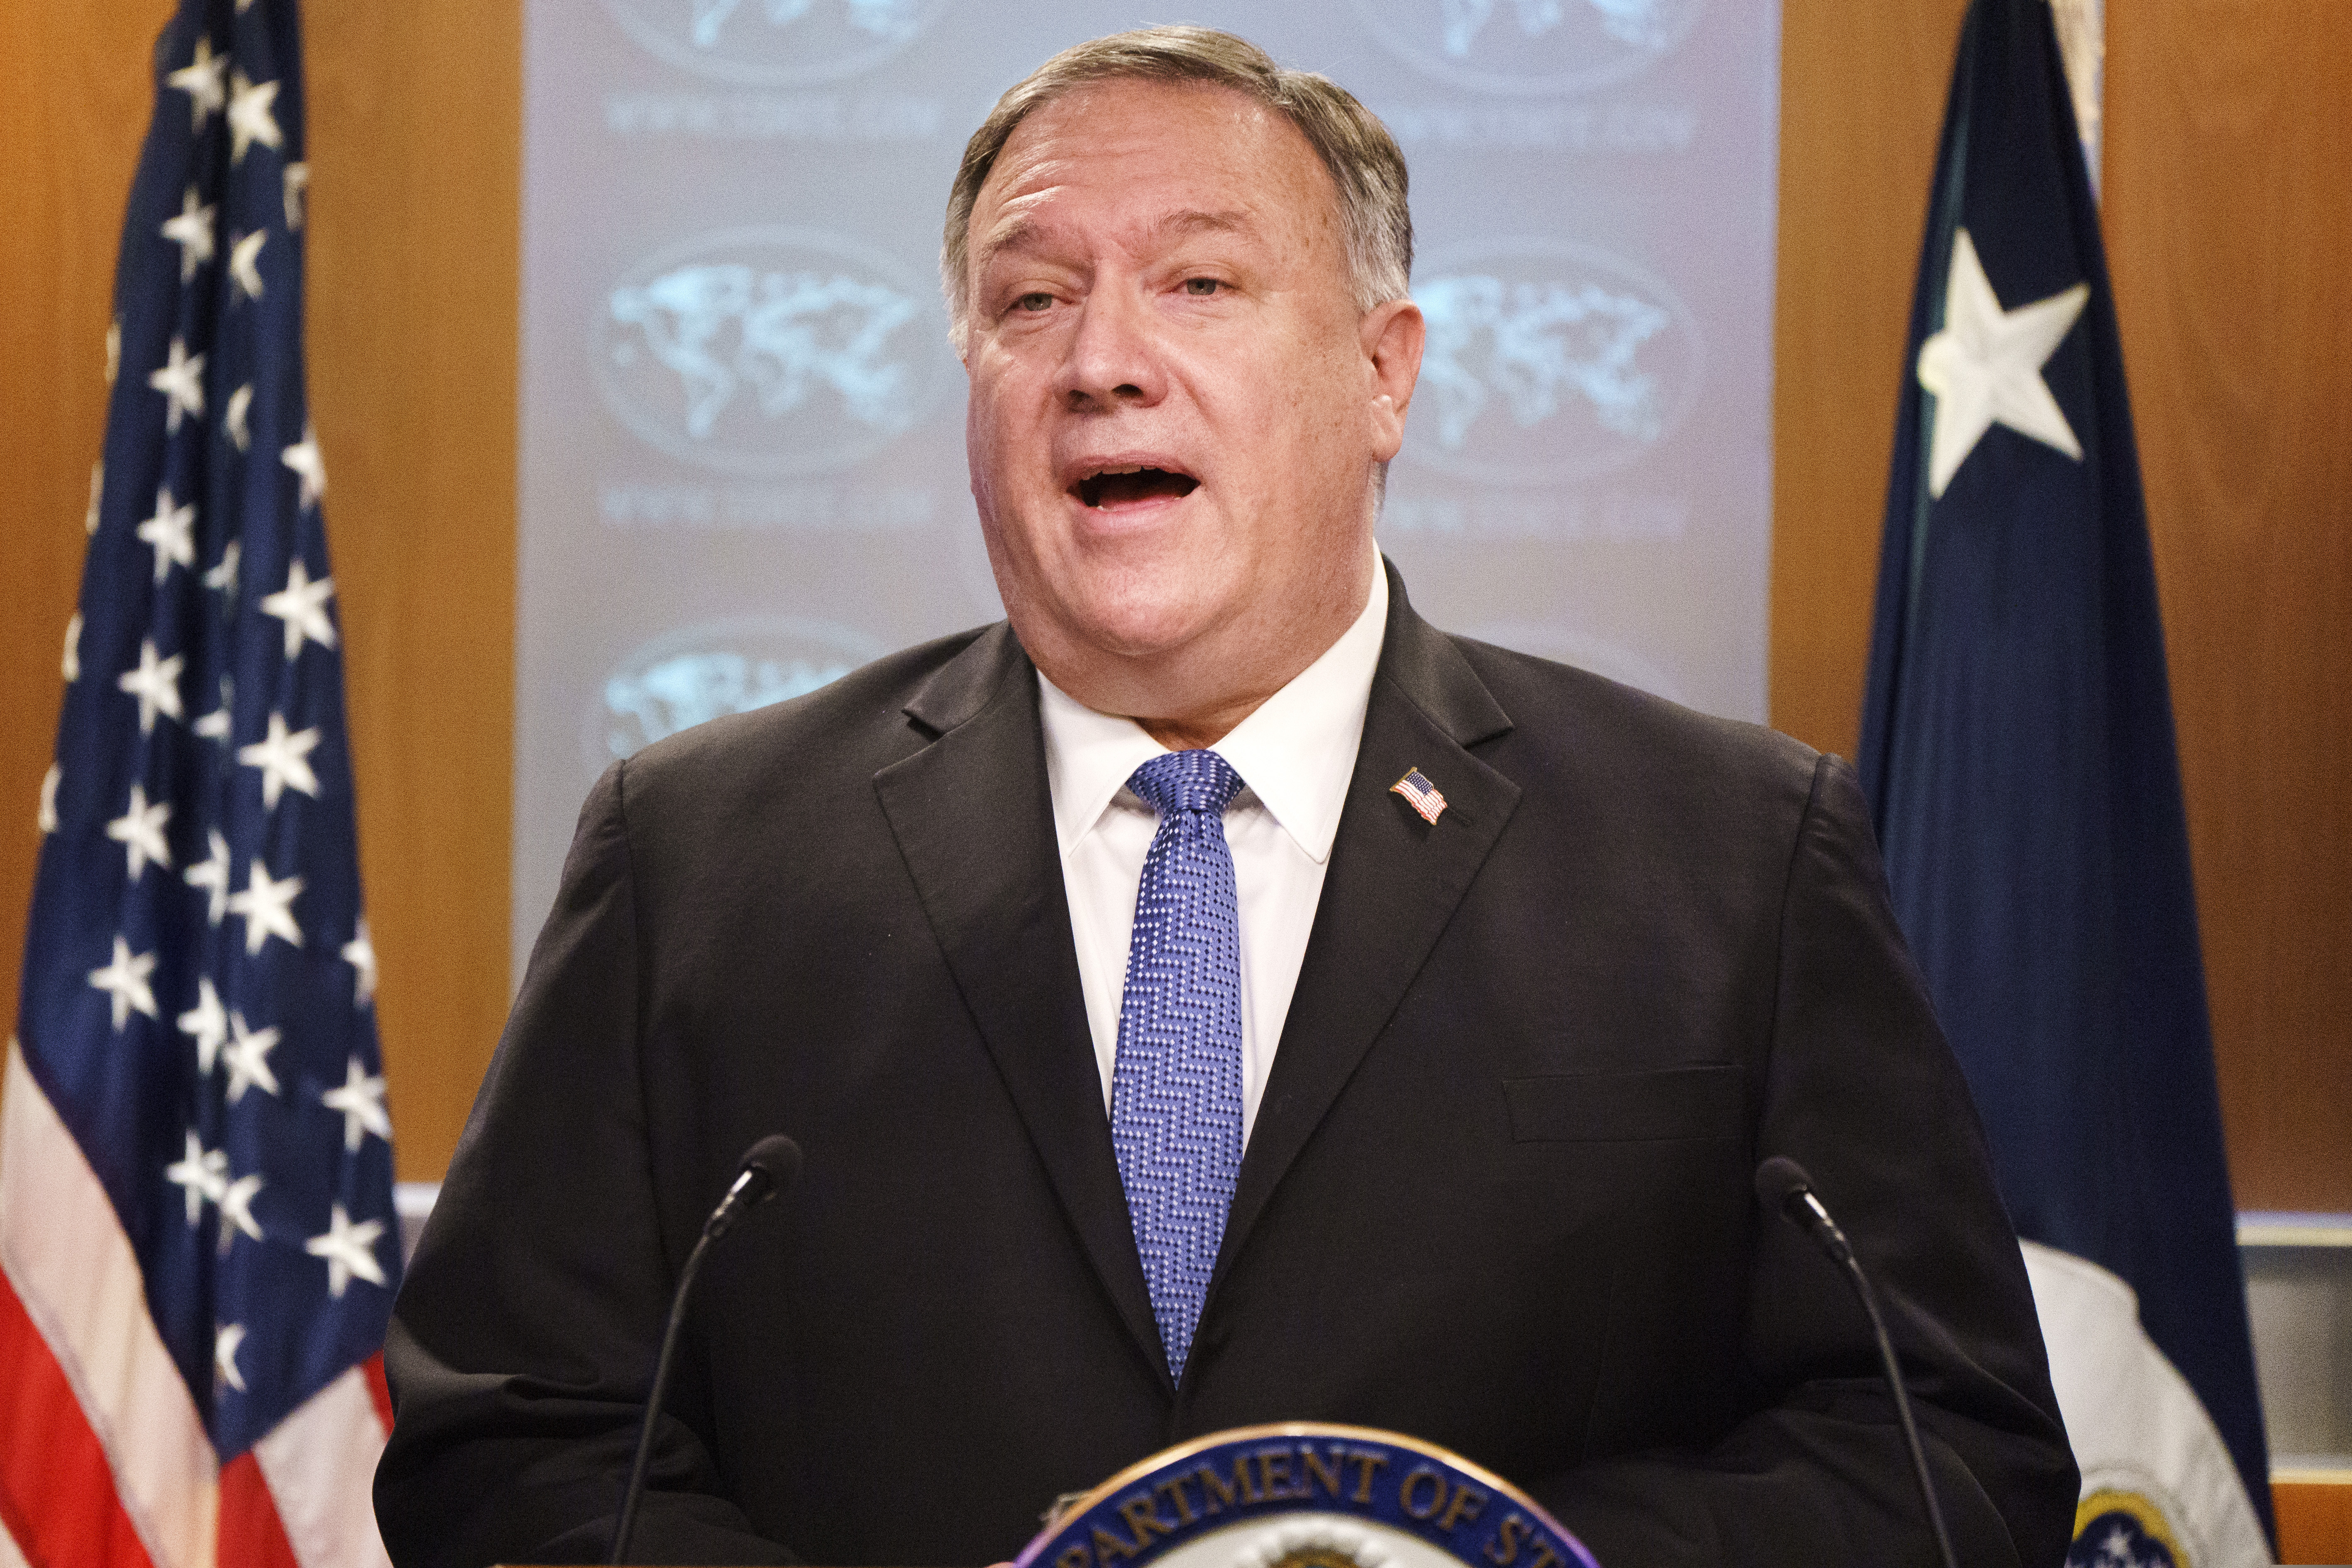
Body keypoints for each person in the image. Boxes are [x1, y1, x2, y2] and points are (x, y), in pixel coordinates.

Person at [376, 27, 2078, 1568]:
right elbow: (512, 1444)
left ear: (1383, 373)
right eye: (1030, 300)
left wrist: (1471, 1560)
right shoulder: (698, 860)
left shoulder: (1727, 859)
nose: (1101, 360)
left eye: (1199, 283)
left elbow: (1945, 1452)